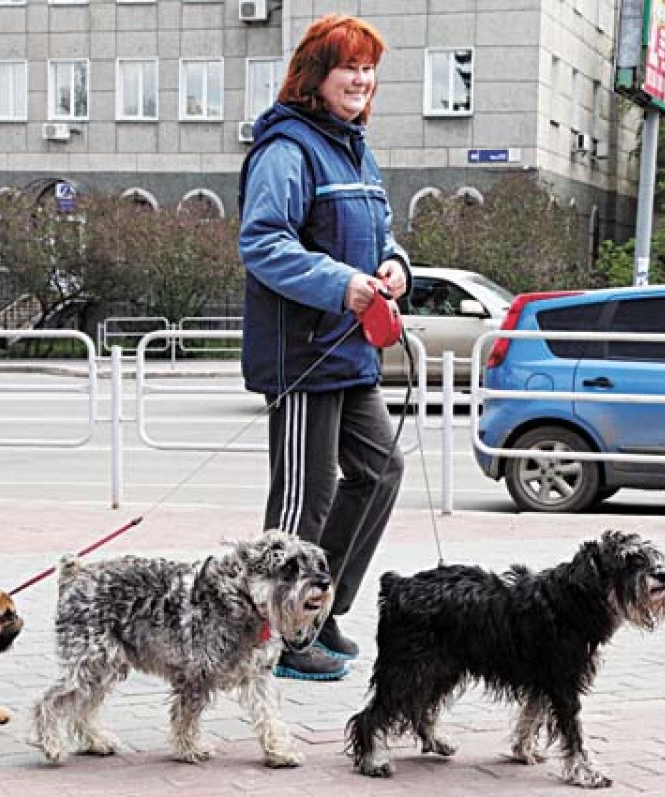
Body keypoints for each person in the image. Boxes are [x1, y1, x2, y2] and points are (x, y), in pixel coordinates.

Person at [237, 14, 409, 681]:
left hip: (351, 353)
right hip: (304, 354)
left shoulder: (355, 147)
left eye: (369, 70)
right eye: (350, 69)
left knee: (381, 472)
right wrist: (343, 285)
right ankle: (268, 636)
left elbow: (383, 232)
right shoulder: (288, 148)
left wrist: (396, 267)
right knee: (300, 504)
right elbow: (263, 244)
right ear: (317, 76)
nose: (363, 81)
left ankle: (316, 610)